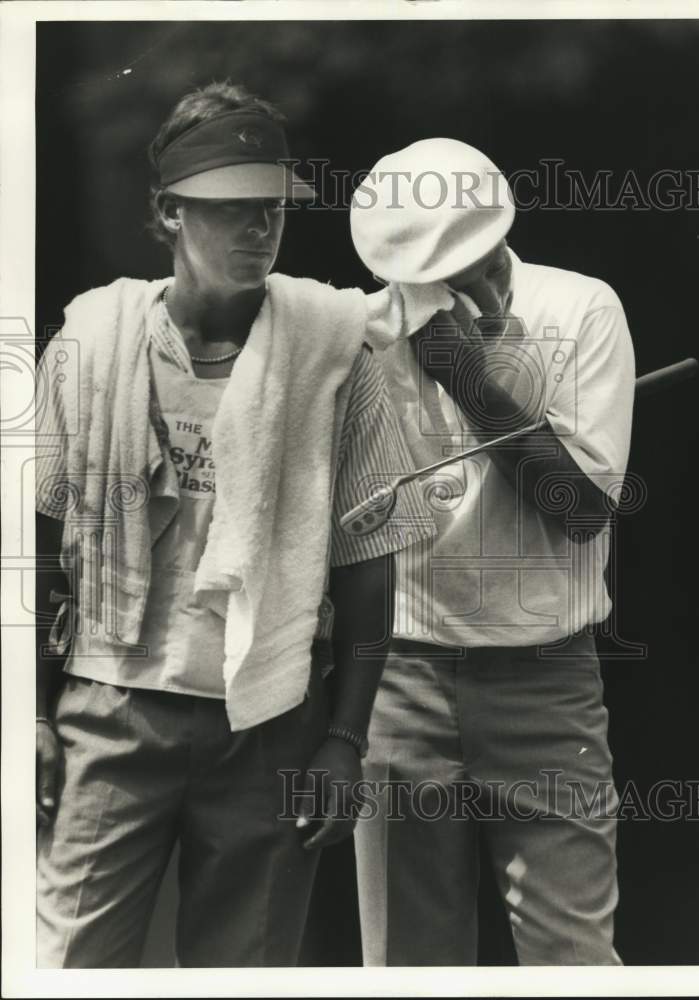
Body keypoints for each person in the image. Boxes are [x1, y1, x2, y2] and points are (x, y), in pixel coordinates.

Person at [34, 83, 435, 968]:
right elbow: (35, 527)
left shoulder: (333, 356)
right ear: (170, 212)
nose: (257, 232)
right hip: (112, 703)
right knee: (65, 961)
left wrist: (343, 741)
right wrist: (25, 712)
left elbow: (368, 561)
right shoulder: (92, 342)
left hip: (268, 718)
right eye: (228, 211)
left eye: (271, 211)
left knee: (244, 972)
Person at [349, 138, 636, 965]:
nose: (468, 292)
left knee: (574, 960)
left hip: (547, 685)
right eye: (438, 278)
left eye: (478, 267)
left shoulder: (581, 308)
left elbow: (580, 511)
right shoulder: (364, 332)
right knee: (409, 964)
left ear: (499, 237)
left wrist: (464, 376)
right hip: (400, 681)